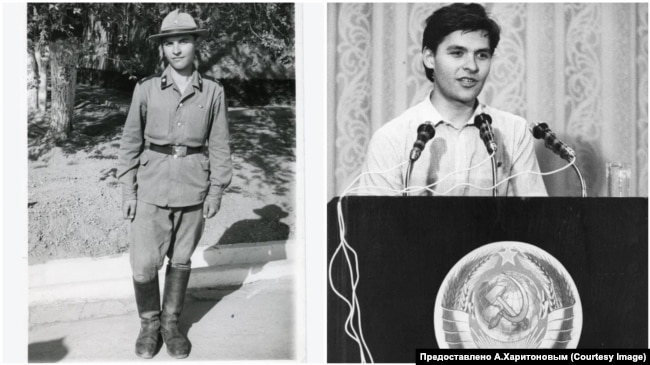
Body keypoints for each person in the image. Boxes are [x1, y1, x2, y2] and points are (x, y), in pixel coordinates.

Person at [117, 9, 233, 359]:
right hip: (151, 186)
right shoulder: (147, 90)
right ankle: (149, 325)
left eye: (184, 41)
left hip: (193, 188)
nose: (177, 49)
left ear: (195, 44)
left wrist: (216, 190)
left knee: (181, 259)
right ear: (162, 49)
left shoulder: (212, 92)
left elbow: (220, 144)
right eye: (170, 43)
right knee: (142, 263)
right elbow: (130, 143)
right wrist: (128, 189)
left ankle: (170, 324)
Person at [359, 3, 547, 196]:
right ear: (429, 58)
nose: (471, 66)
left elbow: (536, 220)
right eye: (457, 53)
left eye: (482, 55)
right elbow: (374, 222)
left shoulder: (514, 132)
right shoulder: (392, 139)